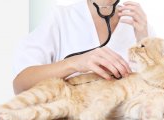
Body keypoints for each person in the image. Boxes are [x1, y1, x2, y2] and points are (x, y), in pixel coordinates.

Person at [12, 0, 154, 95]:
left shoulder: (138, 24)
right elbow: (20, 85)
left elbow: (161, 88)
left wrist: (144, 39)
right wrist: (74, 63)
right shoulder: (61, 18)